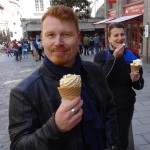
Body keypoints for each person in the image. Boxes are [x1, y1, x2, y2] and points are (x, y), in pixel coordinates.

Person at [9, 5, 118, 150]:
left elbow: (109, 107)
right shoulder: (24, 92)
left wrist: (112, 143)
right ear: (42, 38)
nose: (58, 42)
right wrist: (54, 127)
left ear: (78, 38)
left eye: (66, 34)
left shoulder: (94, 71)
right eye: (51, 35)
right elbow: (18, 146)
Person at [93, 23, 144, 150]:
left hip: (125, 104)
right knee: (108, 139)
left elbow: (139, 85)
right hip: (105, 105)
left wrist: (136, 80)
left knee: (122, 139)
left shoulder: (133, 56)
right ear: (109, 38)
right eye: (116, 35)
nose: (120, 38)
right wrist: (115, 58)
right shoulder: (101, 56)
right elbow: (100, 79)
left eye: (122, 34)